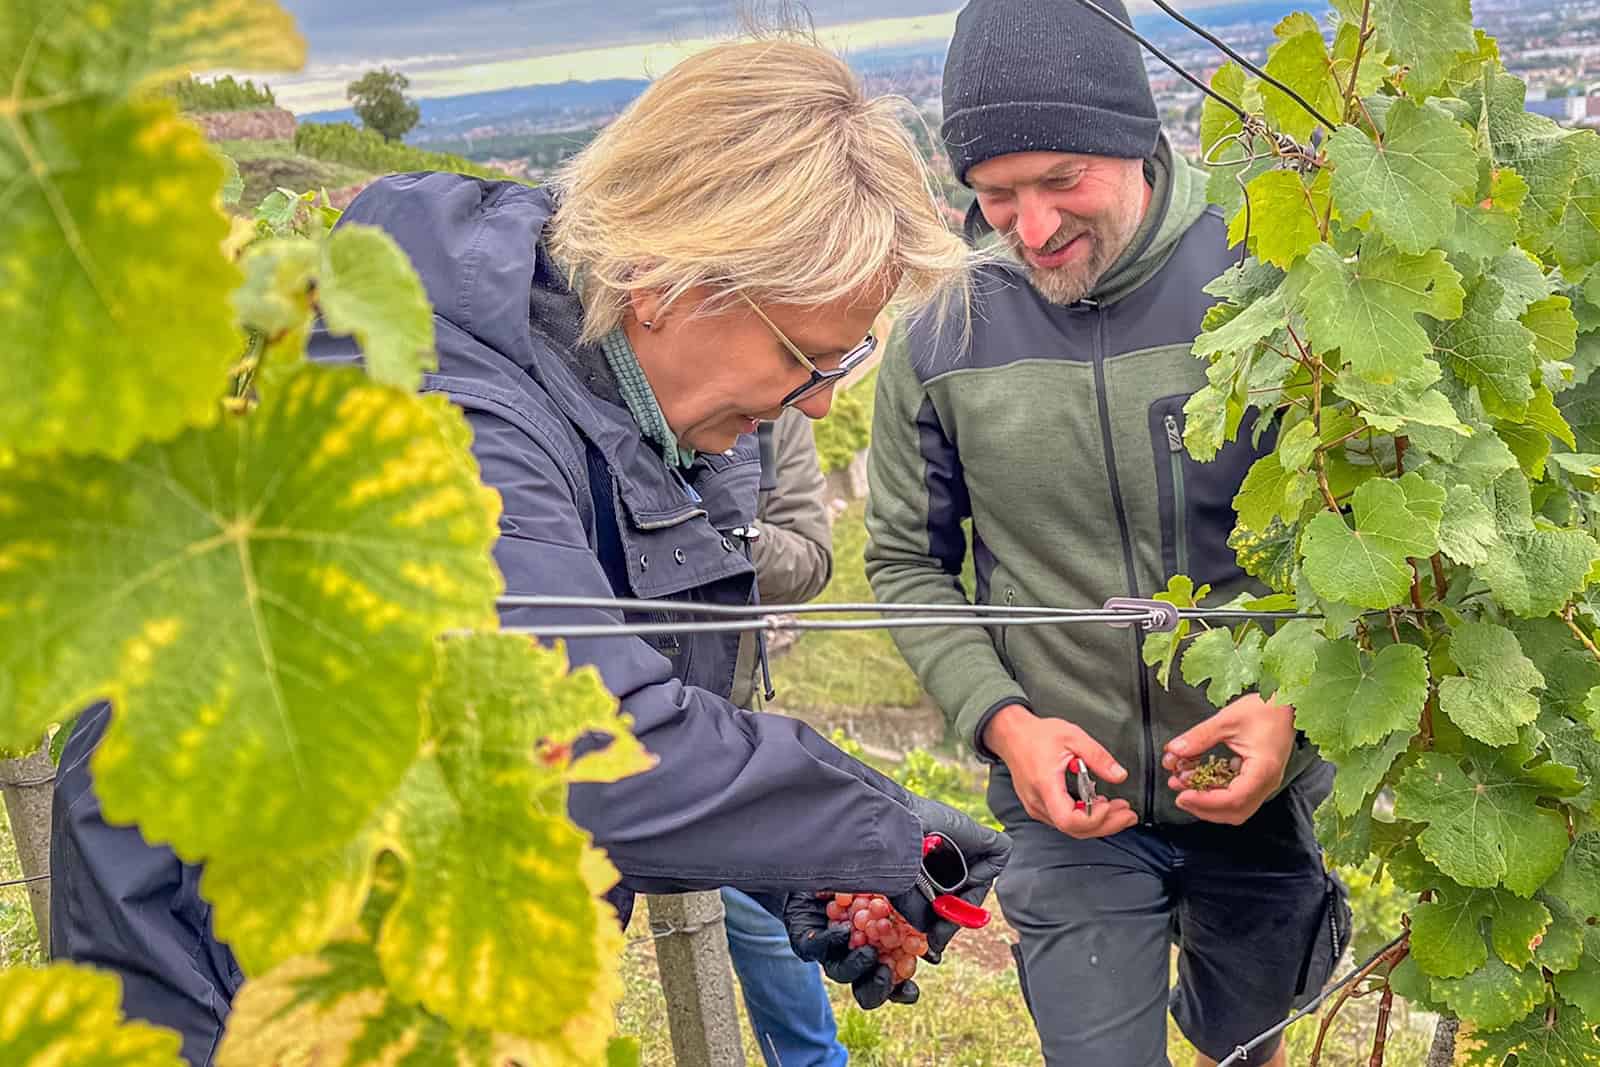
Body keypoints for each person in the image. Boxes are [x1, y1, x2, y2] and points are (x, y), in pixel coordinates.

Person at [49, 38, 1010, 1066]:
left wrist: (800, 867)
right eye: (803, 357)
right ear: (664, 281)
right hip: (228, 979)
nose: (819, 400)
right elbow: (568, 739)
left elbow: (635, 687)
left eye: (843, 360)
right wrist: (881, 830)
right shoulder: (435, 401)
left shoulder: (625, 397)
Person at [863, 2, 1349, 1065]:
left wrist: (1291, 707)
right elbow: (903, 560)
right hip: (1064, 800)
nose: (1030, 229)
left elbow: (1358, 525)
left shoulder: (1271, 276)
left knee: (1244, 1039)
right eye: (994, 197)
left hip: (1265, 782)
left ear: (1137, 140)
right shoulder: (942, 330)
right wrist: (1004, 724)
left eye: (1061, 180)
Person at [723, 406, 849, 1067]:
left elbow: (809, 559)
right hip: (586, 713)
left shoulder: (783, 412)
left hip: (727, 710)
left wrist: (722, 533)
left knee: (766, 916)